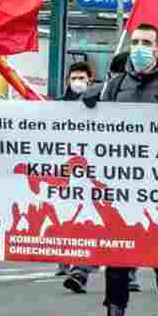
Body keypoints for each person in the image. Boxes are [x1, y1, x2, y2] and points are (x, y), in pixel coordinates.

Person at [83, 24, 158, 316]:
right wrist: (91, 96)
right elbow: (94, 110)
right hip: (121, 183)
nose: (139, 47)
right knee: (117, 252)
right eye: (135, 41)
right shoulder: (117, 82)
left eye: (146, 42)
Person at [56, 61, 100, 293]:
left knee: (95, 223)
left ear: (90, 80)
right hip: (69, 175)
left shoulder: (100, 102)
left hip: (93, 174)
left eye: (81, 78)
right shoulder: (61, 106)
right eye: (74, 78)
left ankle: (81, 270)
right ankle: (72, 263)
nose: (77, 82)